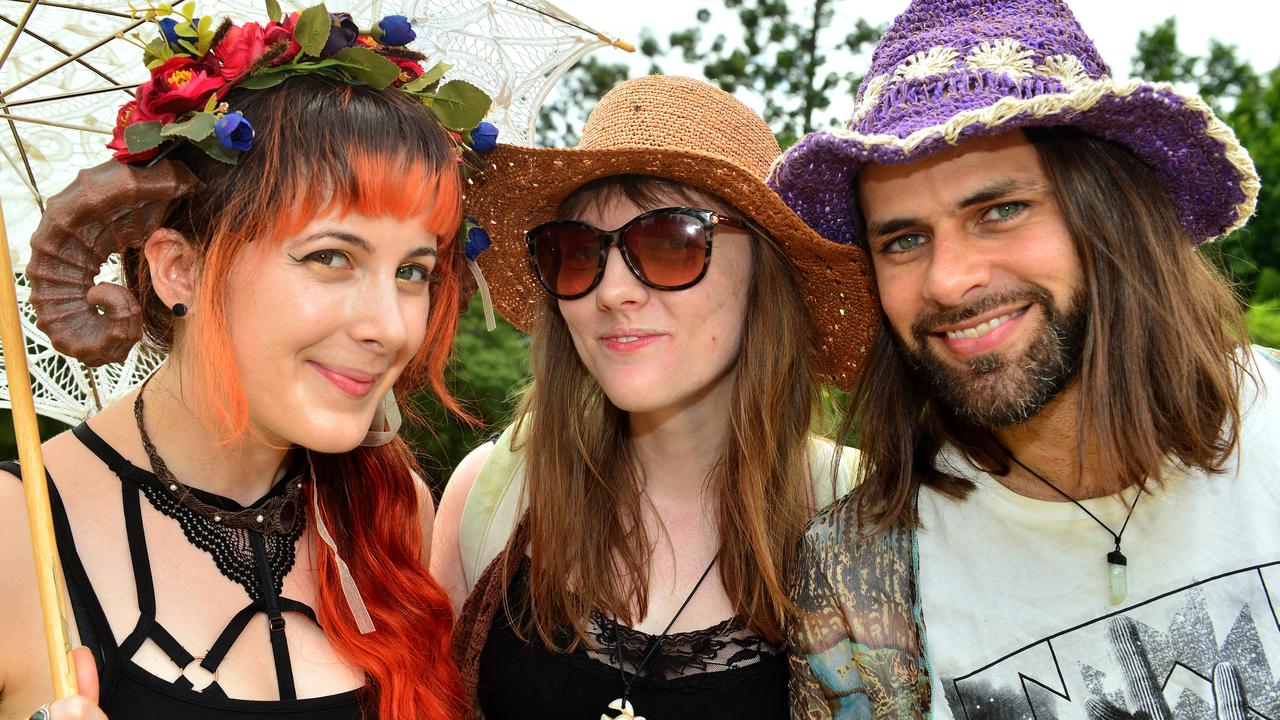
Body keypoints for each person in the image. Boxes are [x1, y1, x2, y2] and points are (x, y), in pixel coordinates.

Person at [767, 0, 1280, 718]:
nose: (948, 280)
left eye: (1000, 210)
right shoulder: (859, 573)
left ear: (1113, 211)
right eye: (904, 240)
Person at [0, 6, 497, 719]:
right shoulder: (16, 537)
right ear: (178, 268)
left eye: (414, 272)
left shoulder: (391, 513)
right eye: (332, 257)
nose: (390, 327)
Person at [429, 74, 878, 718]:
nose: (612, 291)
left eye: (670, 243)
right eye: (578, 252)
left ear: (765, 277)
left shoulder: (868, 519)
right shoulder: (491, 498)